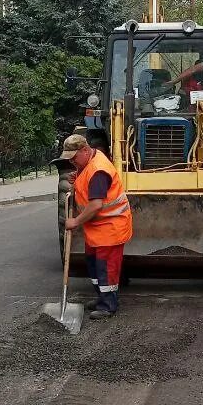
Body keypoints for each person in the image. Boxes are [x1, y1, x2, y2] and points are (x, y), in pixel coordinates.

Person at [55, 134, 134, 320]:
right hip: (98, 227)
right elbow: (87, 185)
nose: (72, 161)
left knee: (105, 269)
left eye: (74, 157)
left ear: (85, 150)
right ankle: (101, 298)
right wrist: (79, 178)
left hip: (110, 228)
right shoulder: (89, 163)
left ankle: (108, 305)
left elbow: (96, 205)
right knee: (93, 265)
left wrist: (75, 221)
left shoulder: (99, 170)